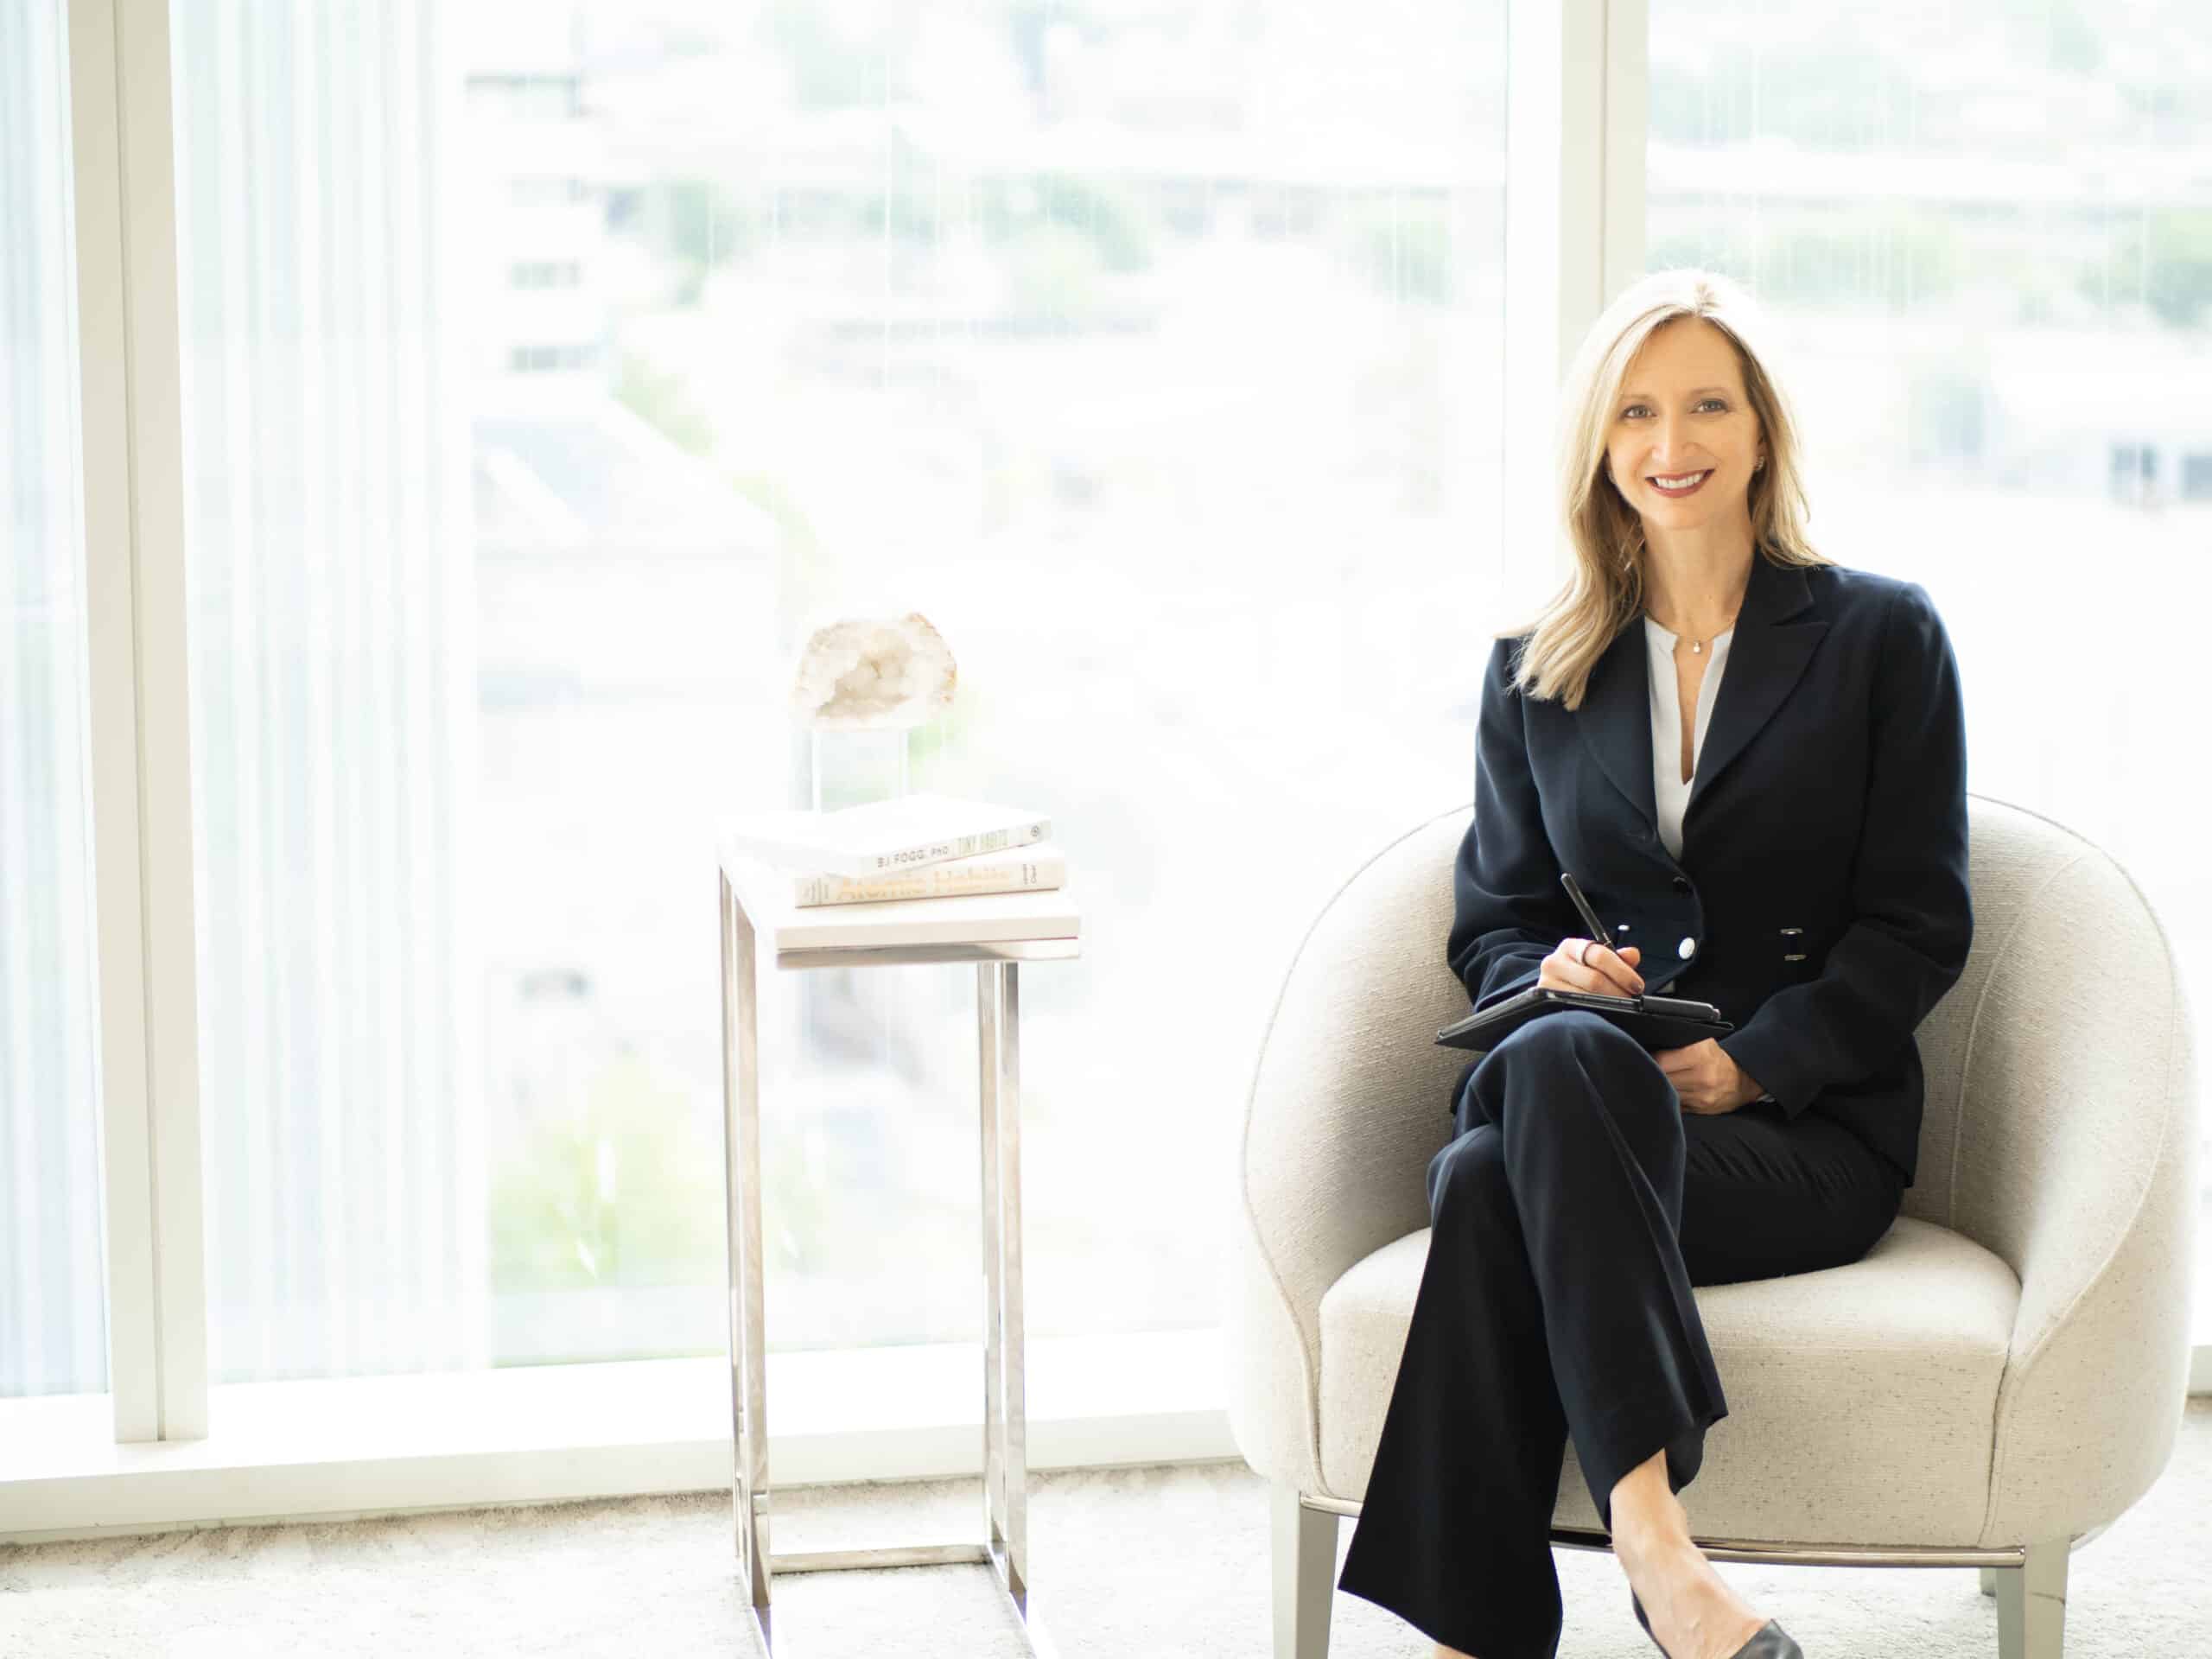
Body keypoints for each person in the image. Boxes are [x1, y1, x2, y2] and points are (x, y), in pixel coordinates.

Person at [1332, 268, 1974, 1659]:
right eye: (1634, 411)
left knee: (1487, 1183)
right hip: (1584, 1084)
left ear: (1762, 429)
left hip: (1800, 1139)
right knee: (1561, 1060)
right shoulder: (1535, 663)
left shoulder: (1882, 637)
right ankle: (1658, 1550)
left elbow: (1920, 922)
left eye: (1706, 406)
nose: (1670, 443)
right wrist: (1551, 969)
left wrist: (1755, 1065)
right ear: (1598, 443)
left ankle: (1485, 1630)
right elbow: (1492, 921)